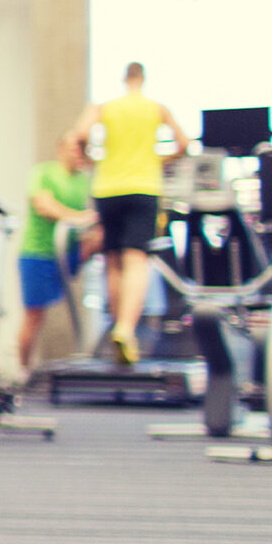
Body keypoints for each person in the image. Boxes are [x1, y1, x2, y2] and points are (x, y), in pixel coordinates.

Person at [66, 62, 191, 364]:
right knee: (136, 259)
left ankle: (116, 322)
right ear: (142, 79)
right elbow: (183, 143)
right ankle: (125, 327)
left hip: (108, 188)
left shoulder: (106, 107)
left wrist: (91, 159)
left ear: (124, 80)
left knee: (113, 260)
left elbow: (78, 136)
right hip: (143, 186)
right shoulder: (155, 108)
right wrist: (161, 160)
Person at [13, 135, 94, 375]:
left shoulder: (83, 181)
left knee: (100, 238)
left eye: (81, 150)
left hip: (67, 253)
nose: (77, 153)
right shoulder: (44, 173)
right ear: (60, 150)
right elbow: (44, 206)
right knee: (35, 316)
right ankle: (23, 373)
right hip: (38, 253)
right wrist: (79, 218)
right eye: (72, 148)